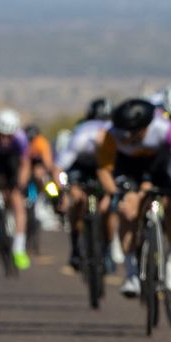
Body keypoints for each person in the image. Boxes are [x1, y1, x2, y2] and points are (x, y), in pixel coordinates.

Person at [97, 99, 171, 298]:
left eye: (134, 132)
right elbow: (103, 170)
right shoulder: (112, 135)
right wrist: (115, 194)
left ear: (146, 126)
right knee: (128, 212)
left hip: (159, 166)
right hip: (128, 170)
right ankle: (131, 273)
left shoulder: (164, 129)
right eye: (124, 131)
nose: (129, 137)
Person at [57, 98, 117, 271]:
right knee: (78, 198)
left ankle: (107, 250)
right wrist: (64, 190)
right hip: (81, 167)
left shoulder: (115, 136)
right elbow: (60, 167)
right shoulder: (81, 136)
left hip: (105, 166)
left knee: (108, 207)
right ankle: (76, 246)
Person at [0, 108, 32, 270]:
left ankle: (19, 247)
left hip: (12, 163)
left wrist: (20, 185)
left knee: (17, 201)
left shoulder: (21, 138)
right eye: (1, 134)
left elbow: (25, 164)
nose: (4, 139)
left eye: (8, 136)